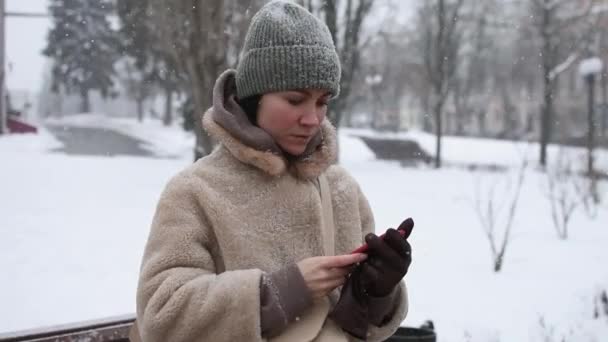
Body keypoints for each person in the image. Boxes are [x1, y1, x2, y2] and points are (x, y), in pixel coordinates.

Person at [135, 1, 412, 341]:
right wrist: (279, 293)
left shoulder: (342, 189)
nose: (313, 119)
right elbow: (160, 316)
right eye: (296, 99)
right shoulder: (195, 190)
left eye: (323, 102)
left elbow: (357, 327)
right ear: (253, 98)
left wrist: (378, 290)